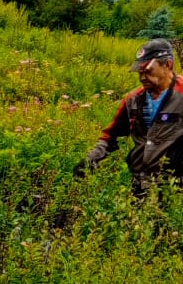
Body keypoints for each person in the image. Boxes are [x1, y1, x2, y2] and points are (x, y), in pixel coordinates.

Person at [75, 37, 183, 194]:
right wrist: (91, 159)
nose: (142, 77)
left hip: (174, 189)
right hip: (141, 184)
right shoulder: (132, 100)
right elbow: (110, 137)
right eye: (140, 72)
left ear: (168, 65)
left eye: (148, 71)